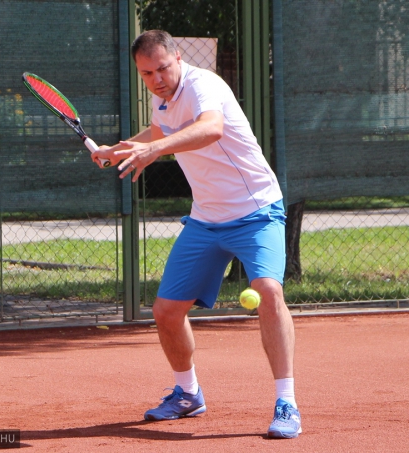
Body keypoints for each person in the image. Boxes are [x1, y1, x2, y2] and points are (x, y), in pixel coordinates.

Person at [92, 29, 301, 439]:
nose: (156, 79)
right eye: (146, 73)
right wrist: (117, 150)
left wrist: (156, 150)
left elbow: (211, 128)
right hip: (205, 219)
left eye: (162, 68)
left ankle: (286, 403)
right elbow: (158, 131)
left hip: (256, 211)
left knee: (268, 292)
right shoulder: (163, 98)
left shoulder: (204, 84)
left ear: (178, 57)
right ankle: (188, 394)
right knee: (166, 312)